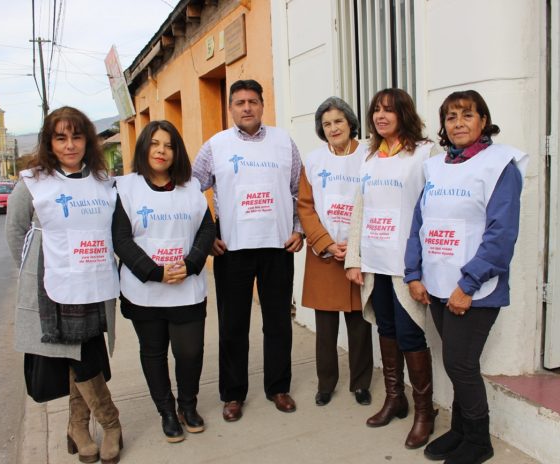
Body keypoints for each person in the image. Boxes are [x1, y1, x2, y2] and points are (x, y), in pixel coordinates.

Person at [405, 90, 527, 464]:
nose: (458, 123)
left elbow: (501, 234)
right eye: (451, 116)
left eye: (467, 115)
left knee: (460, 363)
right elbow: (419, 222)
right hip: (437, 284)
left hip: (473, 290)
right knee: (456, 361)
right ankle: (460, 430)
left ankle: (478, 440)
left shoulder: (500, 164)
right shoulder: (435, 166)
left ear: (483, 120)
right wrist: (414, 272)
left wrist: (467, 284)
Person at [6, 106, 122, 464]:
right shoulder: (32, 182)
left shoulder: (103, 182)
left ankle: (77, 427)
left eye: (76, 136)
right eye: (61, 137)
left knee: (82, 351)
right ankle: (111, 422)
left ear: (87, 139)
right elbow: (15, 233)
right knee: (81, 352)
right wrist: (35, 278)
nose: (70, 145)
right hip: (53, 284)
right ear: (49, 143)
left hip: (94, 281)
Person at [192, 79, 303, 422]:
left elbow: (299, 191)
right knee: (233, 324)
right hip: (232, 248)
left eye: (253, 101)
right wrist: (206, 235)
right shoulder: (215, 146)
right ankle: (233, 394)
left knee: (278, 322)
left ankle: (278, 387)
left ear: (262, 105)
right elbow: (191, 192)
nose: (247, 107)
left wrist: (299, 230)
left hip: (277, 245)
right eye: (239, 102)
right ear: (230, 108)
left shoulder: (284, 143)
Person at [112, 120, 215, 443]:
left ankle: (188, 405)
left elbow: (206, 229)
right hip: (144, 292)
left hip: (186, 288)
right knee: (153, 352)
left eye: (169, 145)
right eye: (155, 143)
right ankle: (167, 412)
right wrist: (156, 272)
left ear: (177, 152)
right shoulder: (126, 188)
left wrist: (190, 263)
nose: (161, 150)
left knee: (190, 352)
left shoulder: (190, 189)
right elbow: (121, 239)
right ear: (144, 147)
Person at [345, 88, 437, 449]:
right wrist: (355, 259)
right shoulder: (369, 157)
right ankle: (394, 398)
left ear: (404, 114)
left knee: (411, 333)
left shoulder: (425, 153)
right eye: (376, 111)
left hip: (405, 264)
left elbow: (433, 209)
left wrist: (425, 267)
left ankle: (425, 413)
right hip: (375, 262)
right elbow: (359, 209)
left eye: (389, 110)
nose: (381, 116)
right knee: (385, 328)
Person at [297, 96, 373, 407]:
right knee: (325, 328)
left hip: (360, 252)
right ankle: (326, 383)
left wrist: (353, 246)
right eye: (326, 124)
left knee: (359, 324)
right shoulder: (313, 161)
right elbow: (305, 206)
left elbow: (378, 198)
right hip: (325, 254)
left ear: (351, 123)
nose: (333, 128)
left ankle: (361, 383)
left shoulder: (369, 155)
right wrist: (326, 243)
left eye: (338, 121)